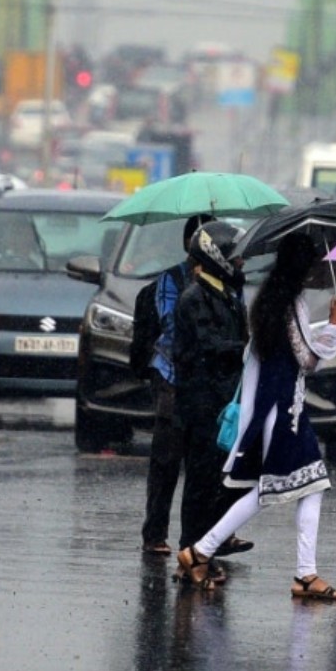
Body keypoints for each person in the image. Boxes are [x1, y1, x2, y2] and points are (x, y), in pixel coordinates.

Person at [178, 233, 336, 598]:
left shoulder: (273, 300)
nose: (318, 271)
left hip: (283, 409)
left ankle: (298, 571)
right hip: (284, 413)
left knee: (298, 486)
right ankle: (205, 551)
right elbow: (307, 359)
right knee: (285, 488)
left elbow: (293, 351)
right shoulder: (289, 304)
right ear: (303, 268)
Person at [172, 221, 251, 583]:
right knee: (201, 482)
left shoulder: (226, 295)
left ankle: (205, 549)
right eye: (235, 257)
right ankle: (190, 553)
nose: (241, 263)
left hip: (221, 402)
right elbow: (209, 346)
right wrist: (247, 348)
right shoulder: (195, 298)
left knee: (221, 480)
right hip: (201, 404)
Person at [141, 214, 210, 556]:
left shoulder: (228, 282)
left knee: (203, 463)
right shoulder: (172, 279)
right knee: (166, 460)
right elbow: (171, 323)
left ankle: (198, 540)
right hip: (171, 376)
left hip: (207, 381)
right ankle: (155, 533)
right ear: (189, 245)